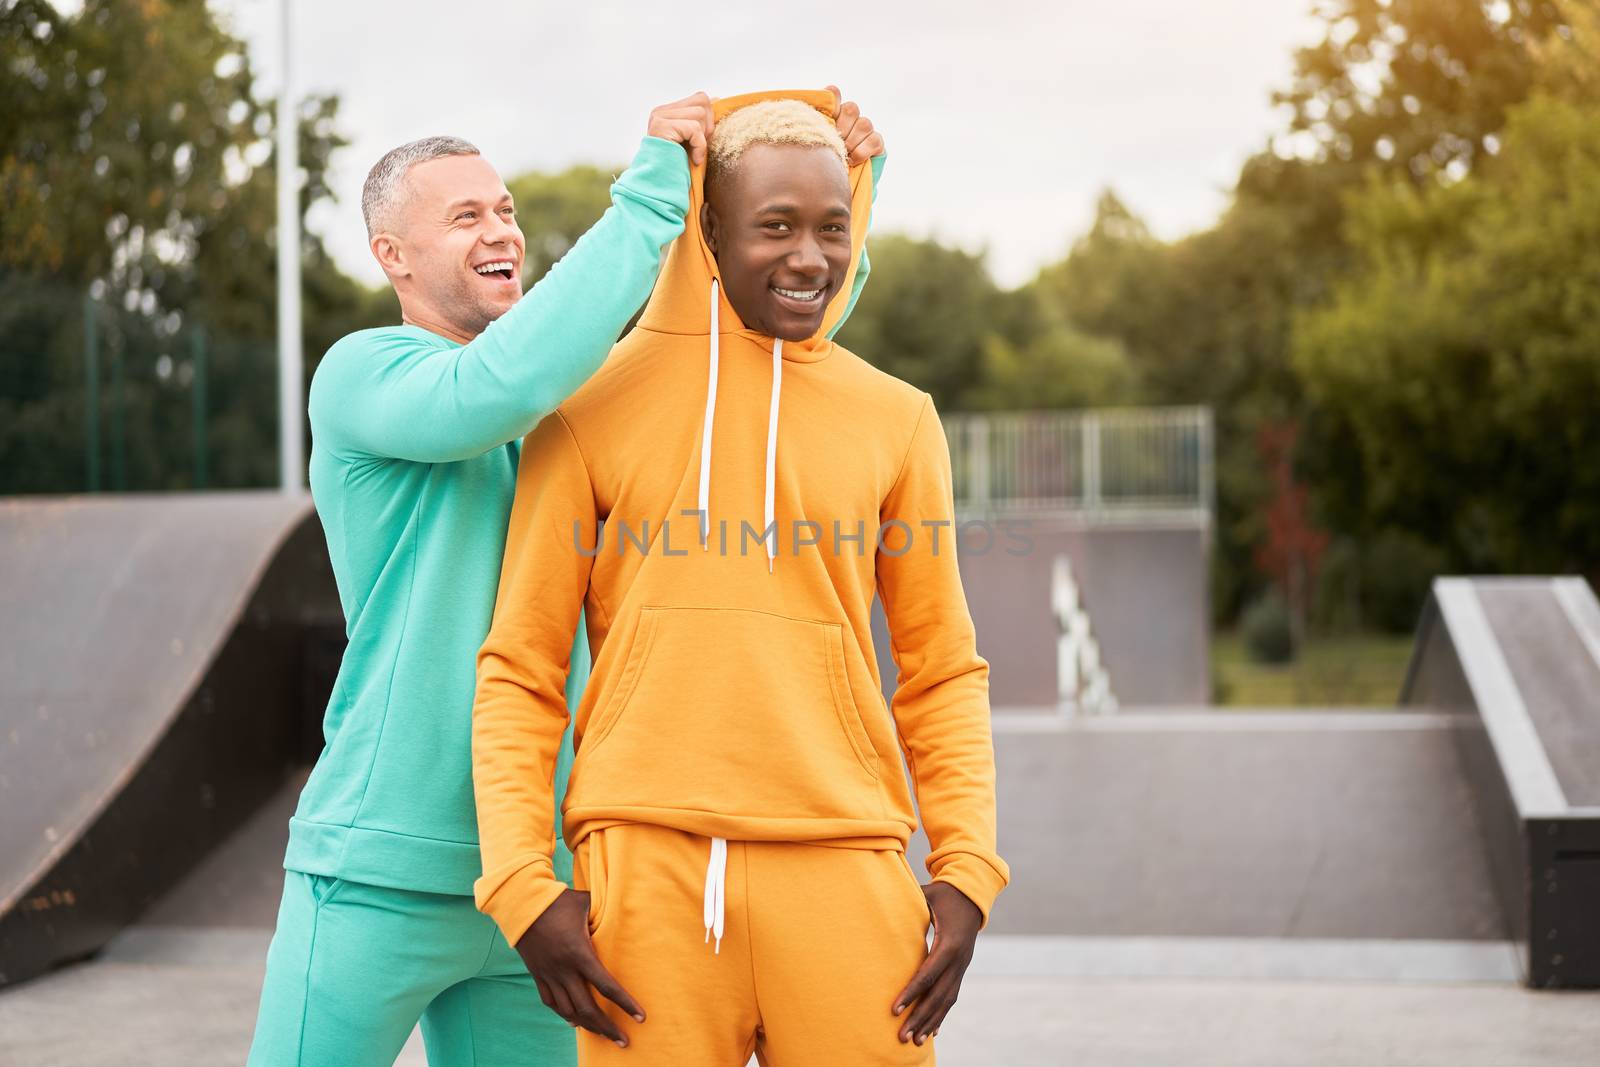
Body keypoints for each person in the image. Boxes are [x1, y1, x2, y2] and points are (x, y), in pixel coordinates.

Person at [246, 90, 887, 1067]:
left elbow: (747, 343)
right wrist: (646, 200)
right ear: (393, 256)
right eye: (465, 216)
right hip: (377, 866)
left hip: (546, 880)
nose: (499, 229)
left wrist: (848, 190)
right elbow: (490, 391)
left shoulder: (572, 405)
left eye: (504, 210)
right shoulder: (365, 375)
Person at [473, 90, 1006, 1066]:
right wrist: (521, 883)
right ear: (708, 230)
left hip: (847, 871)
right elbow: (520, 666)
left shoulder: (896, 419)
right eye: (775, 226)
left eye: (831, 226)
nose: (810, 256)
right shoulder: (585, 409)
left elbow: (940, 666)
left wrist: (966, 869)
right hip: (647, 882)